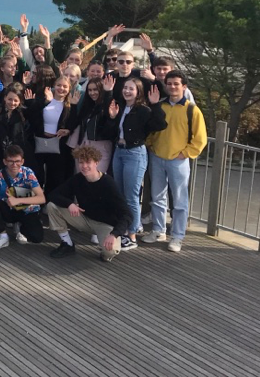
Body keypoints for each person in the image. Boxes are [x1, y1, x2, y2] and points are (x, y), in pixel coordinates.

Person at [143, 71, 207, 252]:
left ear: (184, 86)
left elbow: (200, 138)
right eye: (169, 83)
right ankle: (158, 230)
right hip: (157, 157)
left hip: (178, 161)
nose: (172, 86)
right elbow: (151, 129)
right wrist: (150, 145)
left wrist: (186, 153)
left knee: (179, 201)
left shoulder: (191, 109)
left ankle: (177, 236)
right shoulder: (159, 105)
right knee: (157, 198)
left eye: (176, 84)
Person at [102, 77, 165, 250]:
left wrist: (155, 104)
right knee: (120, 194)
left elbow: (160, 124)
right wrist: (113, 117)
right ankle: (121, 231)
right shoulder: (121, 107)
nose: (127, 91)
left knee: (131, 197)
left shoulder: (143, 110)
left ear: (138, 92)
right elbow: (110, 130)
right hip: (119, 152)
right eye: (125, 88)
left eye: (131, 89)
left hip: (135, 153)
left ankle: (132, 234)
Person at [47, 145, 131, 262]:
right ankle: (67, 244)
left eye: (88, 162)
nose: (84, 166)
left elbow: (127, 214)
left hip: (105, 225)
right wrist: (69, 204)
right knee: (52, 206)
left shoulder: (108, 183)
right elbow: (53, 195)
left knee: (109, 253)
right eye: (81, 162)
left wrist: (114, 234)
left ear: (96, 163)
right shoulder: (78, 179)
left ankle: (107, 247)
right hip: (84, 219)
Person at [0, 145, 46, 251]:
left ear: (22, 161)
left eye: (17, 161)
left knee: (37, 238)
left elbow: (42, 198)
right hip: (8, 212)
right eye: (10, 161)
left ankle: (20, 228)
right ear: (4, 161)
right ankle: (3, 236)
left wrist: (18, 200)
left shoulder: (28, 173)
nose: (14, 165)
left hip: (26, 210)